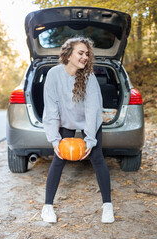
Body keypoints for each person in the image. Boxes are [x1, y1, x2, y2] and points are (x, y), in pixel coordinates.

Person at [41, 37, 115, 224]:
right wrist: (55, 139)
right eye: (80, 53)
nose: (85, 57)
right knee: (59, 158)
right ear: (68, 53)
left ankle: (107, 206)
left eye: (87, 54)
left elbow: (93, 109)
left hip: (88, 121)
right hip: (66, 120)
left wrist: (90, 139)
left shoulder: (88, 77)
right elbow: (51, 108)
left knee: (97, 158)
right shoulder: (53, 74)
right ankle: (47, 206)